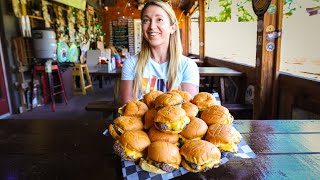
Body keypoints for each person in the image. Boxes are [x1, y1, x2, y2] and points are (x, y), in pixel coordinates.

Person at [120, 0, 199, 105]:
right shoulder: (131, 63)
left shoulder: (187, 66)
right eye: (146, 20)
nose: (152, 26)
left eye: (159, 20)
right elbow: (128, 107)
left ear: (173, 27)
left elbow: (188, 110)